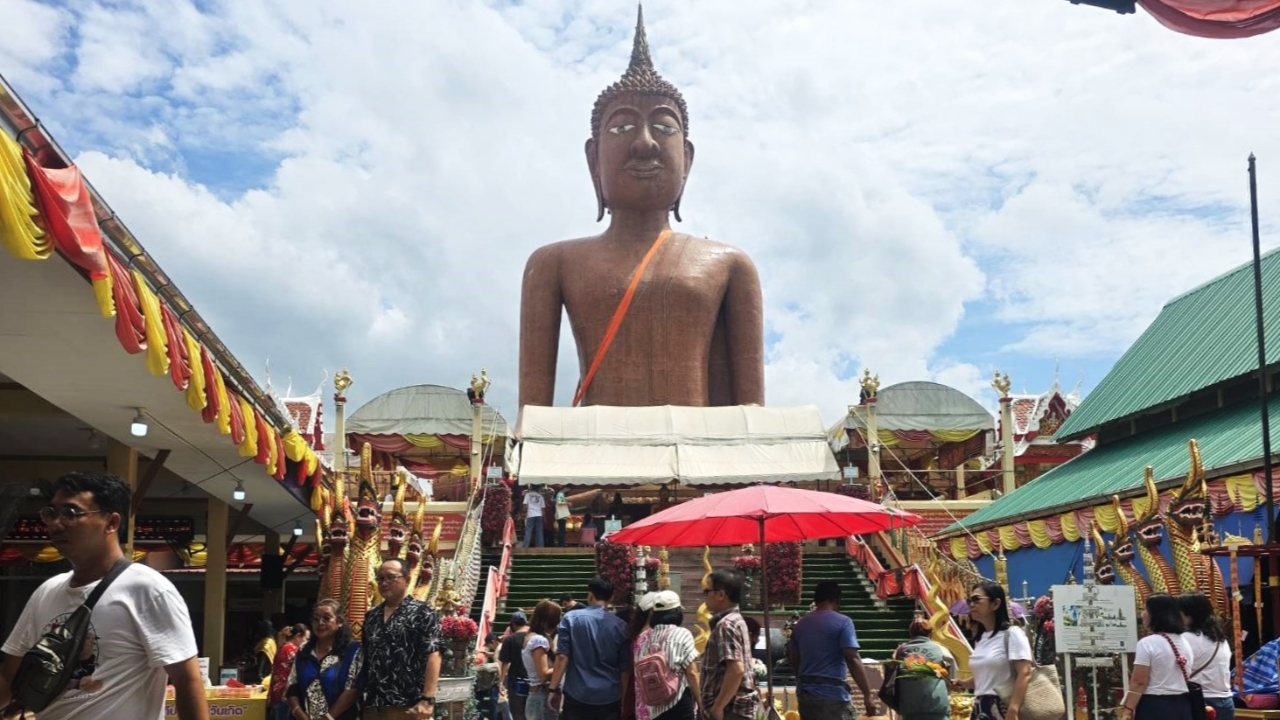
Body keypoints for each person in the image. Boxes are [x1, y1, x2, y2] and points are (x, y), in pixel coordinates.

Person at [517, 8, 765, 410]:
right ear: (593, 158)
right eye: (621, 127)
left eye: (665, 127)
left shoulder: (729, 265)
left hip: (701, 464)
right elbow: (532, 419)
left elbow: (751, 414)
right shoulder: (553, 264)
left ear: (687, 158)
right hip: (595, 465)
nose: (645, 143)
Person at [0, 471, 209, 720]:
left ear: (111, 523)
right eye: (52, 513)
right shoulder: (46, 592)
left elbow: (187, 681)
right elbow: (9, 676)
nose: (56, 523)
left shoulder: (147, 588)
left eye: (71, 513)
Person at [361, 558, 443, 720]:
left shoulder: (423, 612)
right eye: (381, 579)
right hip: (374, 704)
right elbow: (366, 658)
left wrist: (427, 699)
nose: (384, 583)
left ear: (407, 580)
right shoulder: (372, 616)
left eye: (391, 577)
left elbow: (433, 654)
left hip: (409, 705)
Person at [787, 581, 875, 720]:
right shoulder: (844, 622)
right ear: (838, 599)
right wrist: (867, 694)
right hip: (833, 696)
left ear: (815, 600)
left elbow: (795, 660)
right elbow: (852, 659)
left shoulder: (800, 625)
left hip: (806, 696)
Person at [549, 577, 632, 720]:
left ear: (590, 595)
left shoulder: (570, 618)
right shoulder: (621, 626)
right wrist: (622, 699)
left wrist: (552, 688)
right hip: (609, 696)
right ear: (611, 598)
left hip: (577, 694)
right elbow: (625, 668)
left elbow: (562, 657)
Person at [954, 582, 1031, 720]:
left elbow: (1024, 673)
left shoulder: (1012, 634)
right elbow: (987, 675)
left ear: (995, 604)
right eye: (969, 600)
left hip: (1003, 706)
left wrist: (1013, 710)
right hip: (980, 707)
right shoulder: (980, 638)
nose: (971, 604)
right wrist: (964, 683)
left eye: (977, 599)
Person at [1121, 594, 1197, 720]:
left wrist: (1128, 710)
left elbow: (1139, 682)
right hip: (1183, 705)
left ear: (1155, 614)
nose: (1142, 614)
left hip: (1155, 706)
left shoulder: (1147, 643)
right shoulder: (1185, 642)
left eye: (1145, 610)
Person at [699, 569, 760, 720]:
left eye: (707, 591)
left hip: (730, 710)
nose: (704, 596)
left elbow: (736, 669)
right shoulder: (735, 620)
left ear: (721, 594)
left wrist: (718, 707)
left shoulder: (727, 624)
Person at [287, 599, 362, 720]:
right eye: (315, 619)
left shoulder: (352, 651)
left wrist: (328, 717)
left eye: (326, 618)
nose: (320, 623)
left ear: (339, 622)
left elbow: (354, 689)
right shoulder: (304, 652)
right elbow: (292, 687)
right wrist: (300, 714)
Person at [633, 591, 700, 720]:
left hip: (655, 707)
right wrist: (701, 702)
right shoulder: (682, 634)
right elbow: (692, 673)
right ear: (677, 612)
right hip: (679, 703)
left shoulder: (646, 639)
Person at [890, 617, 957, 720]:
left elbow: (891, 679)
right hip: (936, 708)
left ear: (910, 634)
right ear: (931, 634)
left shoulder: (900, 651)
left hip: (909, 710)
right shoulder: (941, 650)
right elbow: (953, 680)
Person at [1179, 593, 1231, 720]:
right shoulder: (1220, 639)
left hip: (1202, 702)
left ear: (1188, 614)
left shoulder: (1186, 639)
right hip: (1226, 701)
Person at [523, 600, 562, 720]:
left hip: (536, 696)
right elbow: (543, 675)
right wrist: (563, 665)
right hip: (542, 696)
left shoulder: (531, 637)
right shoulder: (539, 640)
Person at [270, 624, 310, 720]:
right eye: (306, 638)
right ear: (298, 636)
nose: (307, 642)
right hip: (285, 694)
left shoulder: (284, 647)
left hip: (278, 693)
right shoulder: (292, 650)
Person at [498, 611, 530, 720]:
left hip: (516, 681)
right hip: (534, 681)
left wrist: (501, 682)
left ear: (513, 624)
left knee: (517, 713)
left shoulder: (510, 639)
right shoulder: (535, 637)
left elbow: (505, 663)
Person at [247, 620, 279, 684]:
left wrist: (259, 675)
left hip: (264, 677)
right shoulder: (272, 641)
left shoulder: (266, 644)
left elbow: (262, 662)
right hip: (269, 674)